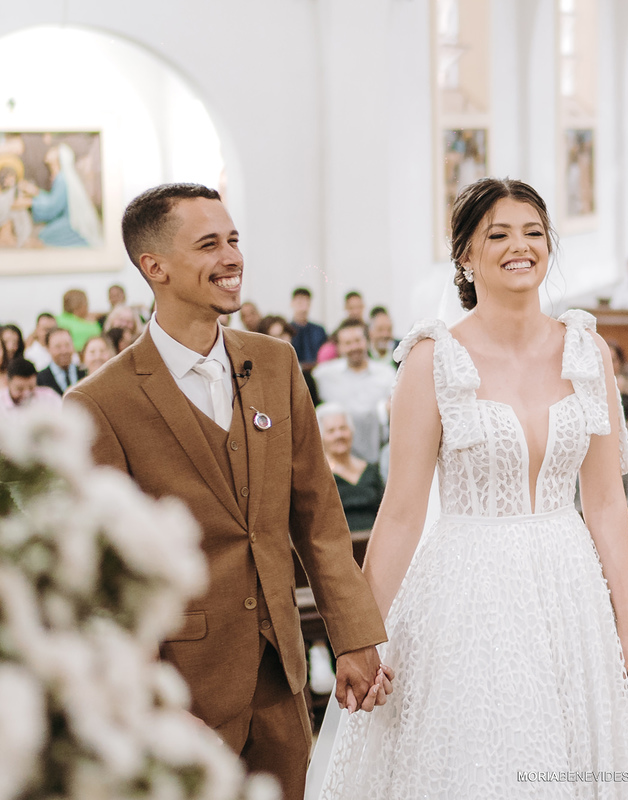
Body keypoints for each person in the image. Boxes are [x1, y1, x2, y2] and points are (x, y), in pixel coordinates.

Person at [317, 178, 628, 799]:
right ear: (466, 256)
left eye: (532, 232)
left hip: (568, 587)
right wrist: (360, 637)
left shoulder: (588, 351)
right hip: (468, 592)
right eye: (497, 234)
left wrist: (627, 627)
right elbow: (399, 515)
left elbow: (604, 502)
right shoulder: (432, 360)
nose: (519, 246)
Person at [64, 183, 391, 800]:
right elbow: (105, 579)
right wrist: (149, 700)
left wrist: (353, 636)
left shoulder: (275, 363)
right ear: (153, 266)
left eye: (234, 240)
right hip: (184, 684)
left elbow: (317, 516)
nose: (232, 257)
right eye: (209, 244)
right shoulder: (99, 404)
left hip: (281, 675)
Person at [312, 320, 395, 464]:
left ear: (367, 341)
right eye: (347, 343)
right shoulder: (322, 375)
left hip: (376, 458)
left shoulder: (387, 374)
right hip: (337, 464)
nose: (354, 347)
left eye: (358, 341)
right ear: (339, 347)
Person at [317, 403, 386, 532]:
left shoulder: (370, 470)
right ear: (320, 436)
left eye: (343, 428)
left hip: (372, 541)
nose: (339, 435)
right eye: (331, 431)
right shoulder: (317, 476)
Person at [29, 142, 103, 247]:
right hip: (63, 218)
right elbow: (54, 201)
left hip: (69, 223)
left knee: (42, 235)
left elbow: (52, 207)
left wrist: (32, 200)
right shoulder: (60, 177)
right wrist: (36, 193)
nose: (50, 151)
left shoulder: (62, 179)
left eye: (54, 150)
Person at [37, 327, 85, 395]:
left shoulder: (84, 373)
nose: (64, 351)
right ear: (48, 349)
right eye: (58, 347)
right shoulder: (40, 379)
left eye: (67, 345)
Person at [290, 286, 327, 367]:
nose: (303, 308)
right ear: (292, 303)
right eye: (299, 303)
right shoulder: (287, 330)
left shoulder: (319, 330)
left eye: (307, 303)